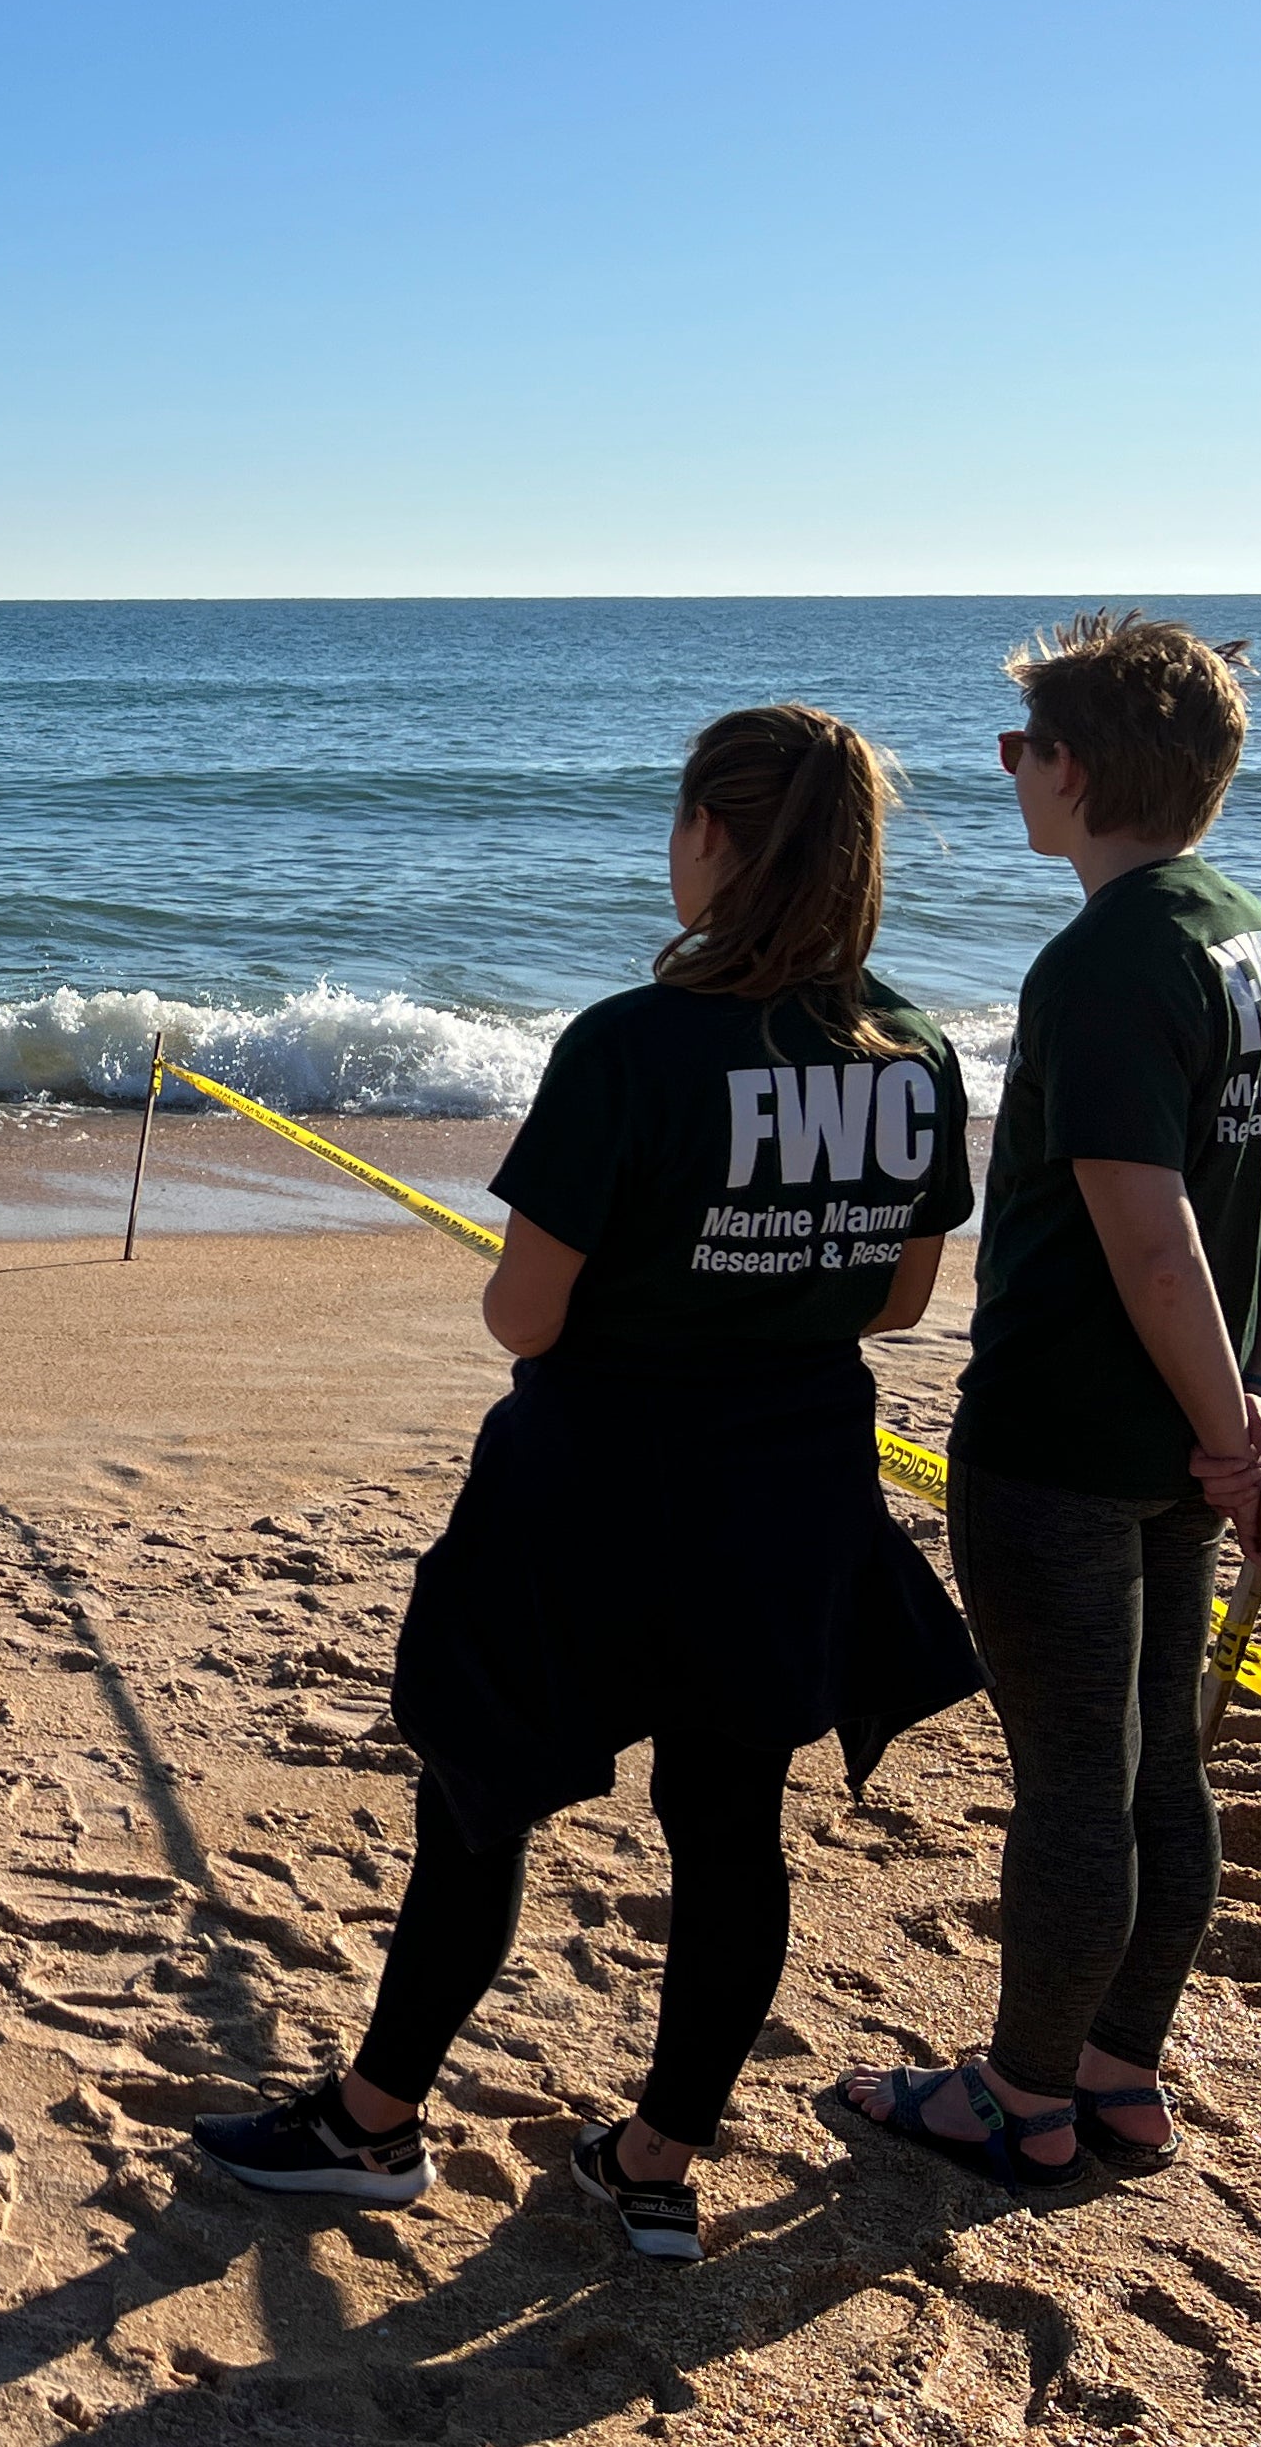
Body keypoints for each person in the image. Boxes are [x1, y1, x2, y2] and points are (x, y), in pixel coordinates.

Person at [195, 704, 986, 2261]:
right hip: (788, 1483)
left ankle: (371, 2121)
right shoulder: (911, 1052)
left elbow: (522, 1313)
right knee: (729, 1819)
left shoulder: (628, 1042)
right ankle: (654, 2161)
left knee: (476, 1795)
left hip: (594, 1484)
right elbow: (899, 1298)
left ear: (709, 837)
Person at [842, 614, 1261, 2189]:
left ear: (1070, 767)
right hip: (1183, 1441)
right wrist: (1251, 1403)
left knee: (1075, 1781)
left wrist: (1230, 1427)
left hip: (1065, 1437)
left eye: (1018, 748)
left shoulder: (1102, 960)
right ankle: (1119, 2074)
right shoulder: (1258, 940)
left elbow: (1148, 1235)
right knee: (1153, 1768)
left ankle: (1022, 2092)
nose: (1007, 774)